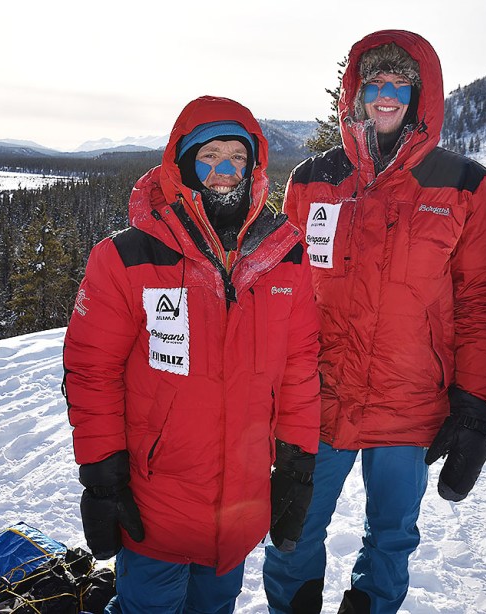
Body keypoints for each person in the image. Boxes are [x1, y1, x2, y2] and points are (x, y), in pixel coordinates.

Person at [262, 30, 486, 613]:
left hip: (409, 403)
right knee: (291, 527)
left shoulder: (466, 186)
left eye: (399, 83)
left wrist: (477, 406)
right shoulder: (310, 181)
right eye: (374, 81)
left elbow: (484, 302)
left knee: (392, 539)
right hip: (317, 400)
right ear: (356, 92)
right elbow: (280, 291)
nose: (385, 94)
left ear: (419, 94)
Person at [63, 95, 322, 614]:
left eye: (236, 157)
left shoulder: (285, 257)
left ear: (254, 166)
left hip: (239, 508)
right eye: (208, 157)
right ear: (182, 165)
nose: (223, 171)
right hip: (156, 505)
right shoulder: (127, 257)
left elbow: (299, 370)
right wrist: (102, 473)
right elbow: (92, 372)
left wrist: (296, 465)